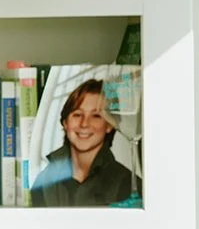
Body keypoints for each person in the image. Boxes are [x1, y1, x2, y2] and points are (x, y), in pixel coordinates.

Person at [30, 79, 133, 208]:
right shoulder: (44, 182)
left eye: (96, 116)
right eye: (77, 114)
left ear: (110, 125)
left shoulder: (128, 184)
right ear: (65, 123)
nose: (84, 124)